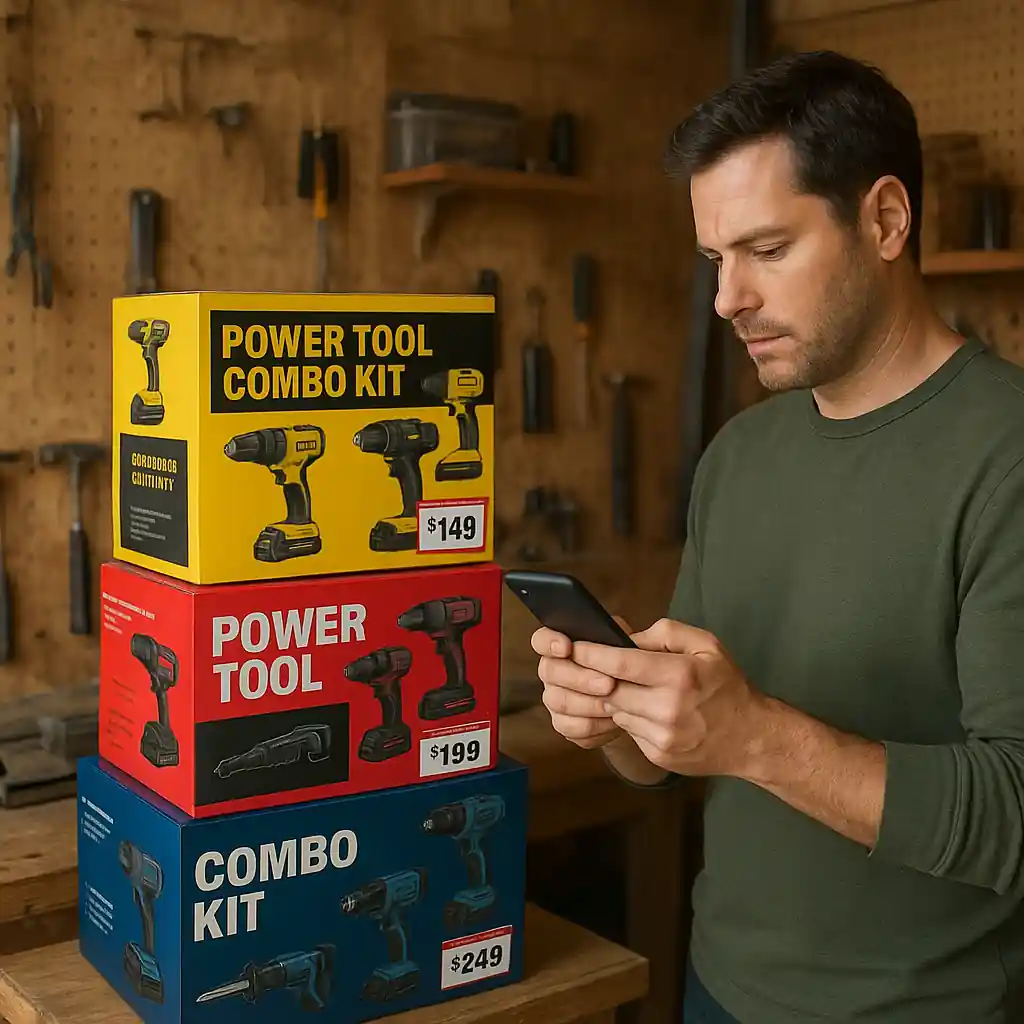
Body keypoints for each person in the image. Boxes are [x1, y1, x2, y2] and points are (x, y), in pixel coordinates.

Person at [531, 49, 1024, 1024]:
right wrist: (622, 714)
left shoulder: (1003, 454)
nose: (726, 300)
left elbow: (1014, 811)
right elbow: (687, 754)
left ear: (885, 220)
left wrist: (755, 735)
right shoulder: (739, 456)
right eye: (716, 260)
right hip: (719, 990)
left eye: (766, 249)